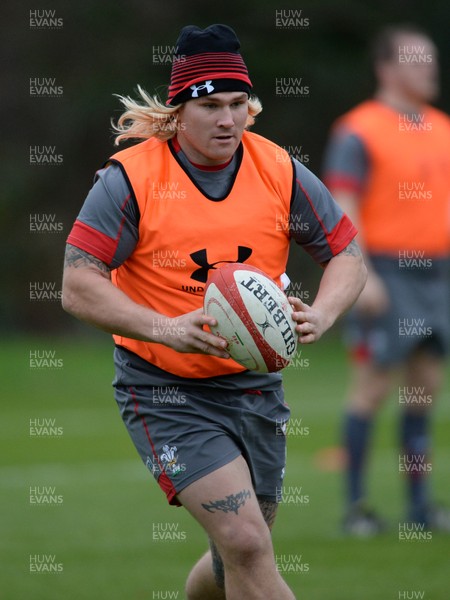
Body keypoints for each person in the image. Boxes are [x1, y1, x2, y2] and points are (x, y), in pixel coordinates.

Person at [62, 24, 366, 599]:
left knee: (235, 557)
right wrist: (166, 329)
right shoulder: (131, 179)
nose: (227, 120)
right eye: (209, 106)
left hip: (255, 387)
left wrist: (323, 313)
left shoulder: (279, 169)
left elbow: (347, 254)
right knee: (248, 543)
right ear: (179, 112)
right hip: (164, 389)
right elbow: (77, 285)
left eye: (237, 104)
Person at [322, 24, 450, 536]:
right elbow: (342, 204)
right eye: (418, 61)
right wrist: (363, 274)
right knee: (371, 388)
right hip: (387, 271)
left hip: (438, 274)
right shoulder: (359, 128)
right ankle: (356, 508)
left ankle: (419, 505)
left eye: (432, 59)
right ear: (386, 68)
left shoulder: (443, 127)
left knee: (425, 390)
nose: (430, 69)